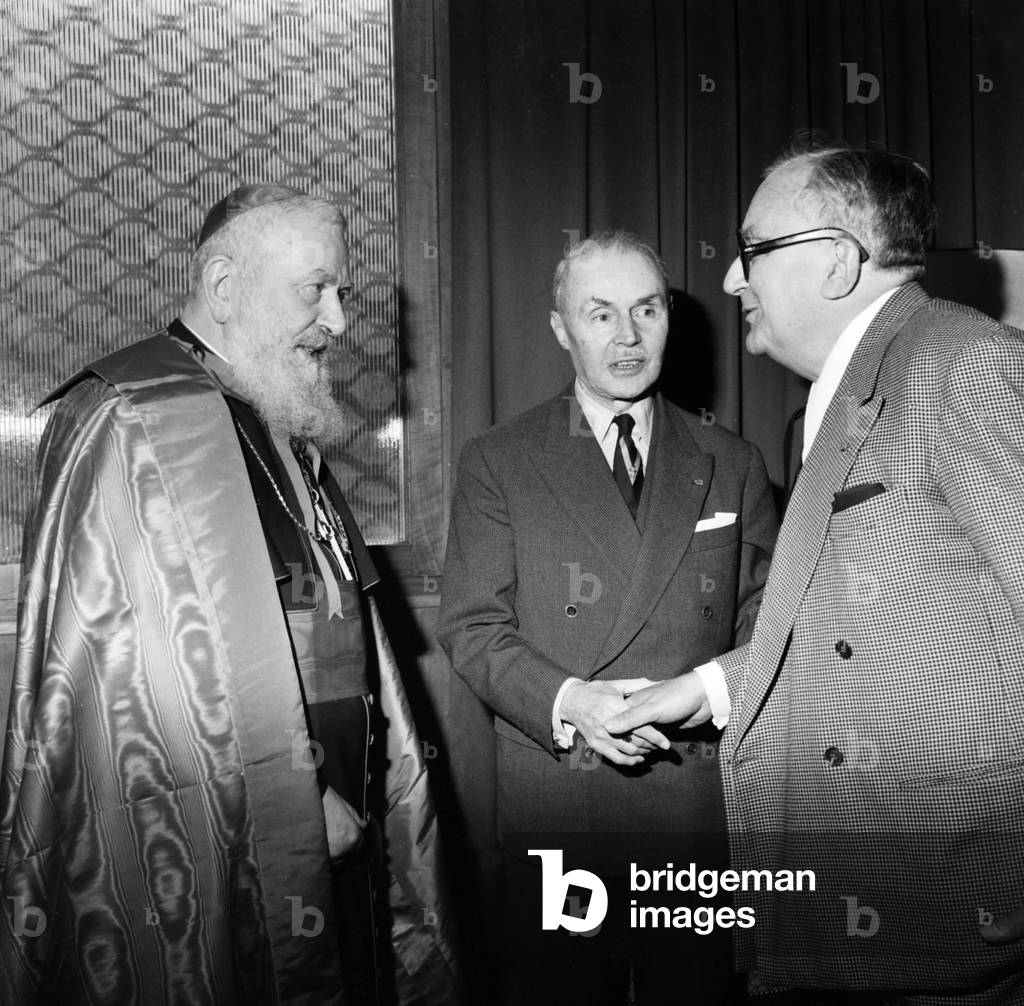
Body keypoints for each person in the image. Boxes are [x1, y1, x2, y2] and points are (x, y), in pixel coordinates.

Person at [0, 185, 459, 1005]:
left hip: (341, 795)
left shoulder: (268, 406)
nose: (339, 322)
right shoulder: (134, 417)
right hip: (243, 828)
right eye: (313, 289)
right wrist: (295, 805)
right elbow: (132, 684)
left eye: (341, 294)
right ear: (222, 285)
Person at [606, 144, 1024, 1004]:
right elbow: (843, 626)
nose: (729, 283)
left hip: (938, 896)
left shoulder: (961, 363)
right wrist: (709, 690)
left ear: (837, 261)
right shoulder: (840, 399)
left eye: (752, 252)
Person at [437, 231, 777, 1004]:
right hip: (559, 794)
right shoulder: (499, 459)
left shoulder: (733, 461)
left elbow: (769, 621)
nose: (626, 337)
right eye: (599, 315)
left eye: (646, 310)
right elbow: (472, 625)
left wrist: (702, 688)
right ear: (561, 328)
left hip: (689, 797)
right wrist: (571, 701)